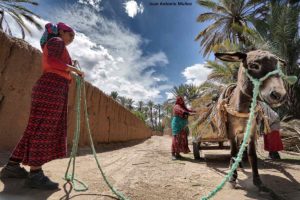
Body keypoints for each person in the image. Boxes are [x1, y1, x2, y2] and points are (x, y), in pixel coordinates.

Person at [0, 22, 84, 190]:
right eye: (71, 35)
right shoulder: (57, 42)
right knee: (44, 128)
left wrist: (70, 67)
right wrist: (75, 70)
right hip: (52, 88)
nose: (72, 39)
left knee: (34, 128)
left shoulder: (55, 44)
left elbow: (54, 61)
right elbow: (52, 62)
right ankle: (35, 174)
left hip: (50, 87)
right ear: (61, 31)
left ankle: (12, 167)